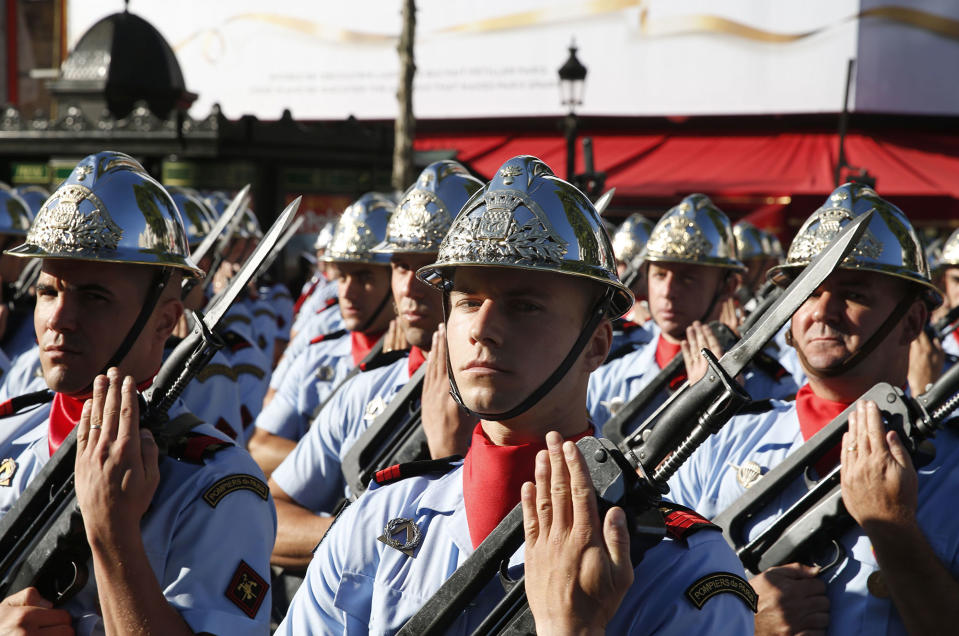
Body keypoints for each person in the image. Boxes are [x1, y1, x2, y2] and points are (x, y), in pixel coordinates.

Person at [277, 156, 755, 633]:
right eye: (467, 301)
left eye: (524, 305)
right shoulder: (376, 518)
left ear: (596, 344)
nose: (483, 329)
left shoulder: (684, 567)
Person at [0, 152, 275, 634]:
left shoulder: (215, 486)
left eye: (94, 297)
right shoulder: (9, 433)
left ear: (165, 322)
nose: (58, 320)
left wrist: (114, 537)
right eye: (48, 292)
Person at [668, 183, 959, 635]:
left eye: (854, 292)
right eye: (808, 292)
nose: (822, 311)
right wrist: (740, 611)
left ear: (913, 321)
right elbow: (648, 601)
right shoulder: (719, 443)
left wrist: (894, 530)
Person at [268, 160, 482, 569]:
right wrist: (362, 533)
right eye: (400, 265)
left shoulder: (521, 397)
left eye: (429, 265)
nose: (408, 285)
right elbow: (270, 516)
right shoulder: (365, 389)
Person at [588, 194, 797, 428]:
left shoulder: (771, 385)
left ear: (728, 285)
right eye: (659, 275)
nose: (668, 291)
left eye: (687, 279)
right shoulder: (604, 376)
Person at [249, 193, 396, 476]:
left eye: (365, 278)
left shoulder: (424, 363)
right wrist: (340, 463)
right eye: (342, 276)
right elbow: (260, 445)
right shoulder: (317, 356)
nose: (347, 293)